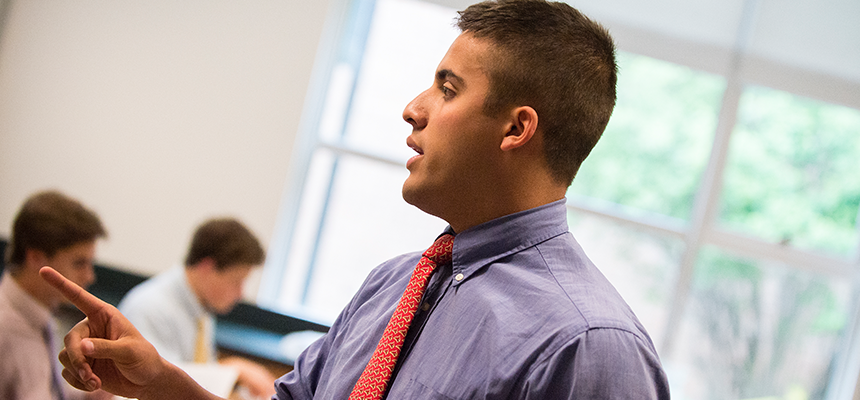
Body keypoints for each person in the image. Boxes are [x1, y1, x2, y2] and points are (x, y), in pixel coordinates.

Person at [42, 0, 671, 398]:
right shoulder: (392, 287)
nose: (413, 108)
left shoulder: (587, 346)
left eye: (447, 89)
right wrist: (161, 385)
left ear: (516, 129)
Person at [117, 218, 277, 398]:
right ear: (207, 268)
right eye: (236, 281)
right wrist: (232, 369)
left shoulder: (201, 308)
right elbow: (158, 385)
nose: (240, 294)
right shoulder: (150, 308)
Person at [0, 190, 110, 400]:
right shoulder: (5, 329)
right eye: (79, 263)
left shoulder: (40, 313)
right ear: (35, 257)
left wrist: (85, 397)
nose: (89, 276)